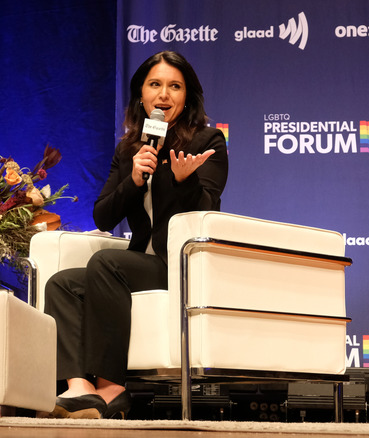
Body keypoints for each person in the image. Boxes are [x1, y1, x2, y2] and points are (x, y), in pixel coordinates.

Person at [41, 51, 228, 419]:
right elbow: (103, 215)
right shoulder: (130, 148)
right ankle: (80, 388)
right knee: (62, 284)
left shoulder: (208, 140)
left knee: (107, 263)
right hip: (140, 260)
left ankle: (113, 388)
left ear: (186, 96)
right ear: (140, 95)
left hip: (177, 265)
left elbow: (207, 207)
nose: (164, 95)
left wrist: (179, 180)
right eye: (155, 85)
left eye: (174, 86)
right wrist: (135, 179)